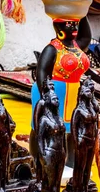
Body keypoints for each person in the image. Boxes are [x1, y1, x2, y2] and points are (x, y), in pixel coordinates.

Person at [31, 15, 91, 167]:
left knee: (72, 127)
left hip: (73, 90)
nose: (73, 28)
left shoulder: (77, 45)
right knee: (42, 127)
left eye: (74, 24)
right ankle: (37, 159)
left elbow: (86, 36)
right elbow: (42, 72)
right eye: (69, 25)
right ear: (59, 28)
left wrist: (82, 13)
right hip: (53, 90)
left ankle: (70, 163)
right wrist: (45, 94)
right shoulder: (52, 49)